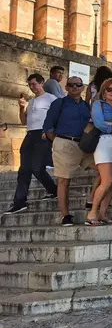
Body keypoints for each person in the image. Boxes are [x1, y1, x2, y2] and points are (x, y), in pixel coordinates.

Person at [43, 76, 99, 226]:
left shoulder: (86, 106)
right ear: (66, 87)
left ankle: (91, 200)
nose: (75, 87)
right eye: (71, 85)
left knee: (103, 170)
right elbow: (48, 126)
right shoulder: (59, 103)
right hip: (65, 143)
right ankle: (65, 215)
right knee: (63, 181)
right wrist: (57, 142)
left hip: (84, 146)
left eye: (78, 85)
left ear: (82, 87)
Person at [3, 74, 57, 214]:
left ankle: (53, 190)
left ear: (42, 83)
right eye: (30, 85)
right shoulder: (31, 101)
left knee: (37, 168)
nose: (32, 87)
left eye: (34, 84)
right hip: (30, 134)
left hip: (43, 134)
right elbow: (23, 121)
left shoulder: (51, 98)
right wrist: (21, 108)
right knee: (24, 169)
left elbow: (57, 117)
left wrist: (49, 131)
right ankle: (19, 202)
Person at [86, 78, 112, 225]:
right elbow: (99, 123)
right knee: (107, 180)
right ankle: (92, 212)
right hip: (103, 141)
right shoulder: (98, 104)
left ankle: (103, 213)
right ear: (104, 91)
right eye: (109, 89)